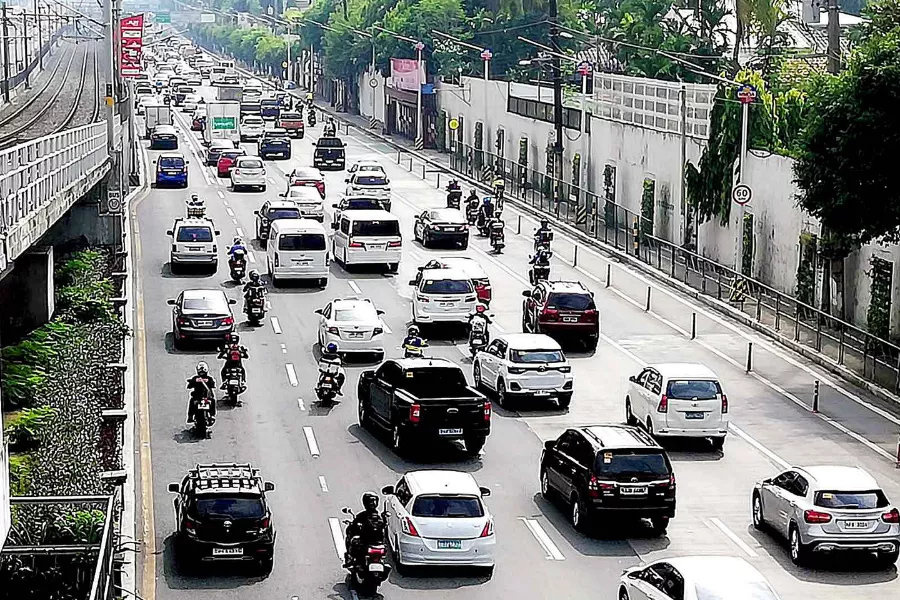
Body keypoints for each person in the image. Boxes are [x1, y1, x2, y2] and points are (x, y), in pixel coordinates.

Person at [343, 492, 386, 568]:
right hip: (378, 543)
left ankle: (350, 560)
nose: (373, 503)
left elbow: (353, 528)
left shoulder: (363, 515)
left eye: (374, 501)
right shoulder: (378, 516)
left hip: (366, 542)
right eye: (371, 501)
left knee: (352, 540)